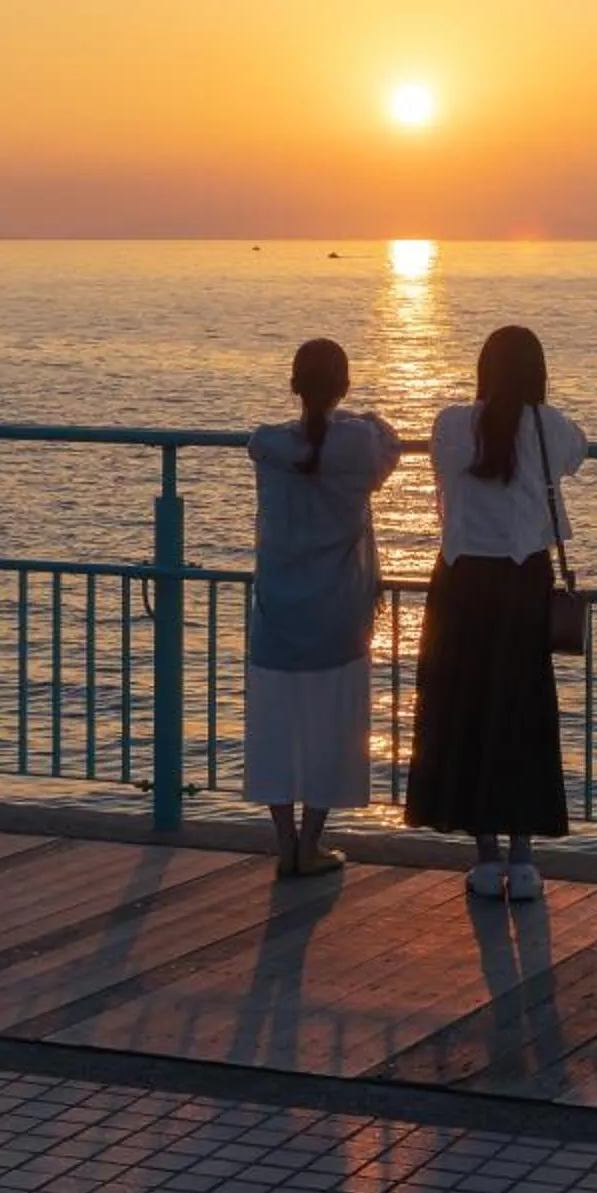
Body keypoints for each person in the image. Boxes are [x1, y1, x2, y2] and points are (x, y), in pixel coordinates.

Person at [403, 323, 584, 902]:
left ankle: (484, 859)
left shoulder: (452, 424)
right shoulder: (549, 427)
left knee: (465, 712)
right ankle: (525, 860)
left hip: (460, 583)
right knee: (524, 713)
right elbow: (579, 449)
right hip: (522, 580)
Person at [245, 338, 397, 880]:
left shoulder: (266, 446)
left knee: (277, 728)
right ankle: (311, 843)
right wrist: (357, 413)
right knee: (333, 729)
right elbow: (388, 442)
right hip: (338, 615)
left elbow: (262, 441)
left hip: (276, 614)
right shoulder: (358, 446)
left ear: (293, 385)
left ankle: (284, 842)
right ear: (344, 386)